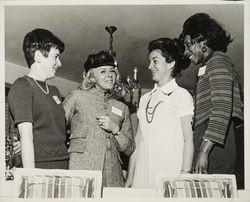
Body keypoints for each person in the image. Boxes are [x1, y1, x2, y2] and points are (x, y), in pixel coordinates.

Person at [179, 13, 244, 174]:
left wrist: (203, 151)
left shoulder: (218, 60)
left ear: (204, 42)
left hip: (215, 143)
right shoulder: (208, 65)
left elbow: (222, 108)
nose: (186, 51)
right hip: (208, 139)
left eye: (188, 45)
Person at [125, 38, 194, 188]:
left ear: (171, 63)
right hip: (142, 174)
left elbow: (188, 140)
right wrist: (130, 177)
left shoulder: (182, 96)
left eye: (155, 61)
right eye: (149, 61)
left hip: (169, 174)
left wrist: (184, 174)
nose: (150, 66)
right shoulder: (144, 99)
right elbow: (138, 140)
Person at [63, 50, 135, 187]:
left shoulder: (122, 108)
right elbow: (55, 125)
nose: (109, 75)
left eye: (112, 71)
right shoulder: (77, 97)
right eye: (103, 71)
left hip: (113, 176)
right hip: (82, 170)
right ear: (92, 77)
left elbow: (130, 149)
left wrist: (116, 130)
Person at [8, 28, 69, 169]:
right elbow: (27, 137)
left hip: (63, 165)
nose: (59, 63)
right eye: (56, 57)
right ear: (38, 56)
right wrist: (30, 178)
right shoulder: (22, 86)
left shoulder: (55, 91)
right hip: (39, 167)